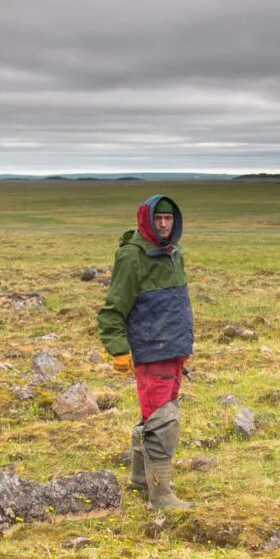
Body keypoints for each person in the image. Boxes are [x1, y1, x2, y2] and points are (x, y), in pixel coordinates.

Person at [96, 195, 194, 510]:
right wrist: (118, 349)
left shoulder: (172, 254)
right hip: (153, 352)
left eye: (168, 219)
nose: (164, 224)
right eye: (158, 219)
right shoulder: (132, 257)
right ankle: (161, 496)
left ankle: (141, 479)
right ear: (146, 220)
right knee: (163, 421)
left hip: (173, 350)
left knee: (154, 415)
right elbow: (112, 310)